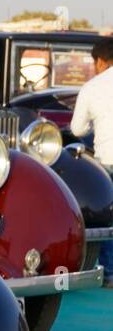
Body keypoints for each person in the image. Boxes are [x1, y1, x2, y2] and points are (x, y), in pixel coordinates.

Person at [70, 36, 113, 285]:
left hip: (107, 158)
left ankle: (109, 271)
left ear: (100, 61)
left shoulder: (92, 87)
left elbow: (77, 129)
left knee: (107, 215)